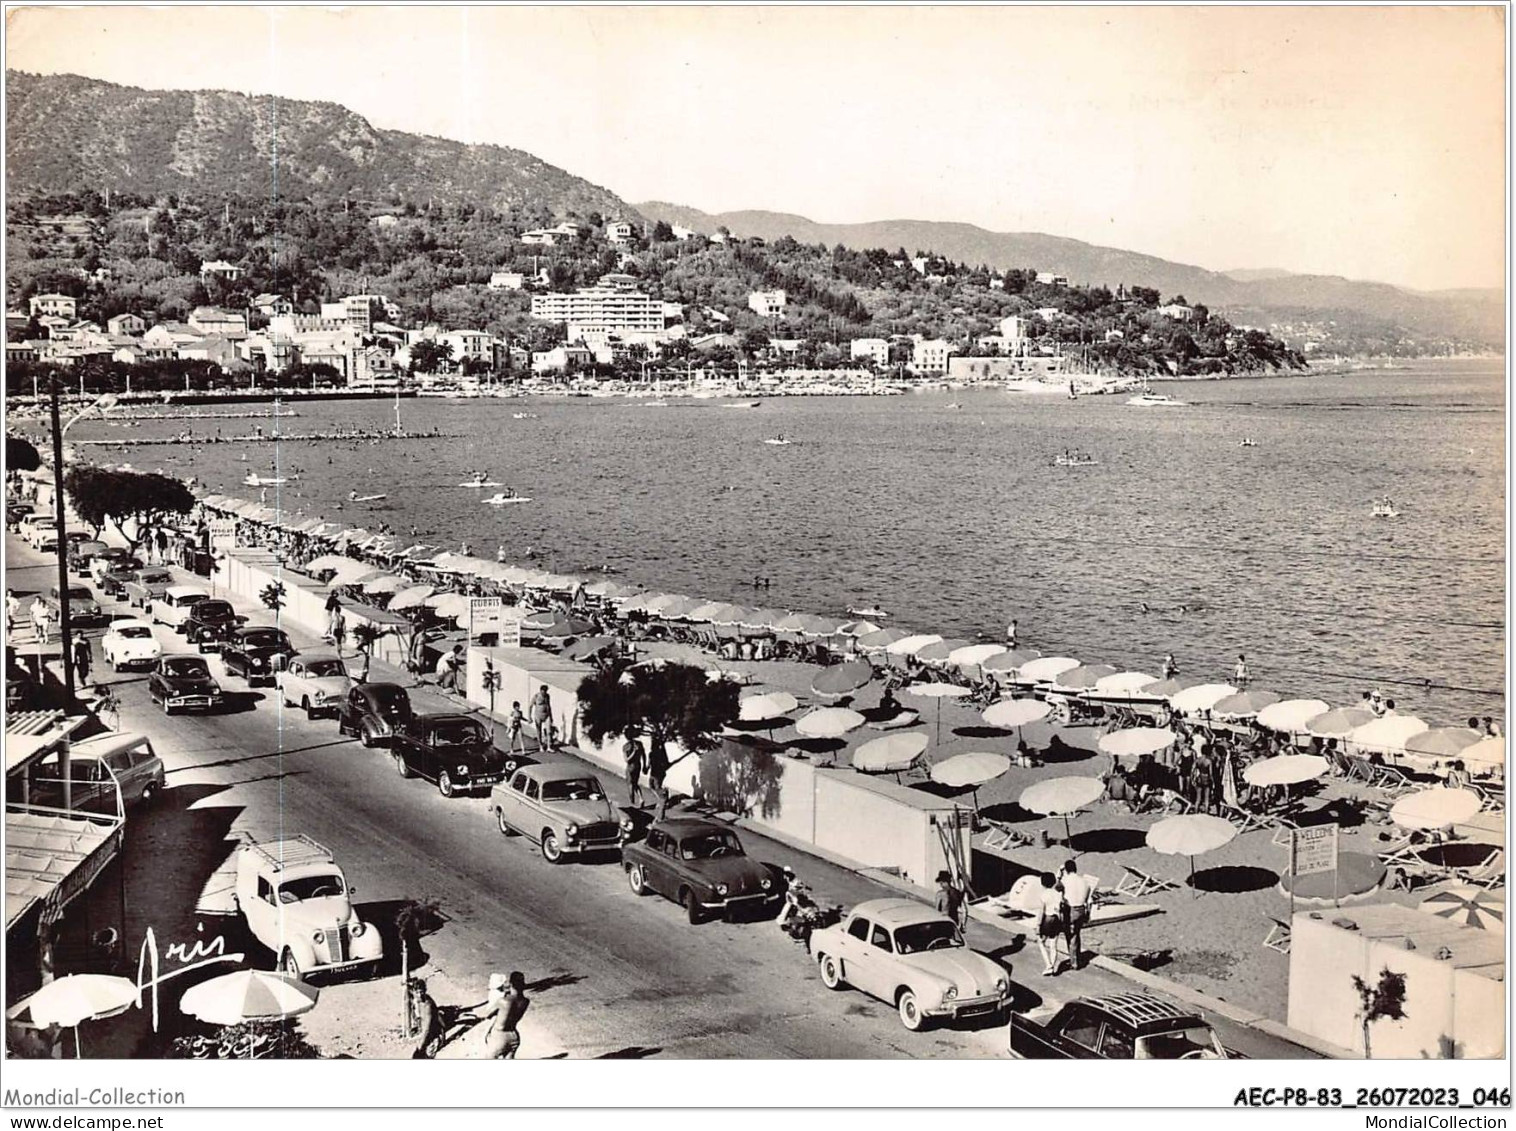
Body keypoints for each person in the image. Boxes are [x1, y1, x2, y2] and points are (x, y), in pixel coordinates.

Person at [478, 971, 529, 1060]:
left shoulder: (503, 1001)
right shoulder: (525, 1001)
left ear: (510, 984)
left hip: (499, 1036)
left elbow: (487, 1014)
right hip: (513, 1036)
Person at [1059, 860, 1092, 971]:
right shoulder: (1084, 881)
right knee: (1076, 933)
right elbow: (1089, 900)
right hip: (1081, 909)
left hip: (1070, 910)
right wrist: (1088, 914)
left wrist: (1059, 872)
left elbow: (1054, 887)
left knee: (1071, 935)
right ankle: (1076, 958)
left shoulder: (1065, 880)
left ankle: (1074, 962)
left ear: (1066, 870)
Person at [1034, 872, 1065, 977]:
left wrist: (1038, 925)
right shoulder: (1057, 894)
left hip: (1047, 919)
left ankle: (1049, 965)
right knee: (1053, 945)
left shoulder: (1043, 895)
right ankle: (1053, 965)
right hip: (1056, 919)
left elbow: (1041, 911)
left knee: (1041, 942)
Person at [647, 734, 670, 821]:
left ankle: (661, 814)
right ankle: (662, 796)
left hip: (658, 774)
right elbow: (649, 764)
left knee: (657, 789)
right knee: (651, 787)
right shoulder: (652, 754)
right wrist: (647, 768)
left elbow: (666, 762)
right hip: (653, 774)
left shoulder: (659, 753)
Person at [623, 729, 645, 807]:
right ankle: (641, 798)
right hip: (638, 765)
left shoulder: (626, 746)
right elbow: (643, 755)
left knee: (630, 784)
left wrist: (633, 753)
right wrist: (644, 765)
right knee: (635, 783)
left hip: (630, 766)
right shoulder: (639, 744)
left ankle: (632, 803)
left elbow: (626, 759)